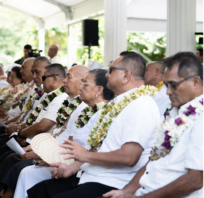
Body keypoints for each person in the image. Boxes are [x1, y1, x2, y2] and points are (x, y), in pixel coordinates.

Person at [27, 51, 160, 198]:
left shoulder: (141, 105)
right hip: (90, 175)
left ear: (126, 75)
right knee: (40, 190)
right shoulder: (117, 104)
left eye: (111, 70)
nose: (107, 75)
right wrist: (71, 168)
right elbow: (98, 148)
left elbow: (129, 157)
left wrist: (85, 155)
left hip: (111, 183)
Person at [0, 63, 71, 198]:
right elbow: (29, 116)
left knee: (9, 154)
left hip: (39, 142)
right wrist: (19, 130)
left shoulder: (61, 99)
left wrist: (22, 133)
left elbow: (43, 126)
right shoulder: (47, 95)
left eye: (39, 74)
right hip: (33, 139)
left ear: (53, 78)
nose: (36, 77)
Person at [102, 51, 203, 198]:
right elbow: (152, 161)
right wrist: (126, 191)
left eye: (173, 85)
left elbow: (195, 180)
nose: (168, 92)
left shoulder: (201, 118)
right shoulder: (175, 113)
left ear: (195, 82)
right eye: (166, 85)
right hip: (143, 191)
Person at [11, 69, 114, 198]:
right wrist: (50, 158)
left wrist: (53, 160)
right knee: (30, 176)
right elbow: (69, 144)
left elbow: (94, 152)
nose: (80, 88)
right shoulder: (85, 111)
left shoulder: (107, 115)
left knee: (31, 176)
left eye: (85, 84)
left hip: (87, 172)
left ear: (99, 90)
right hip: (72, 166)